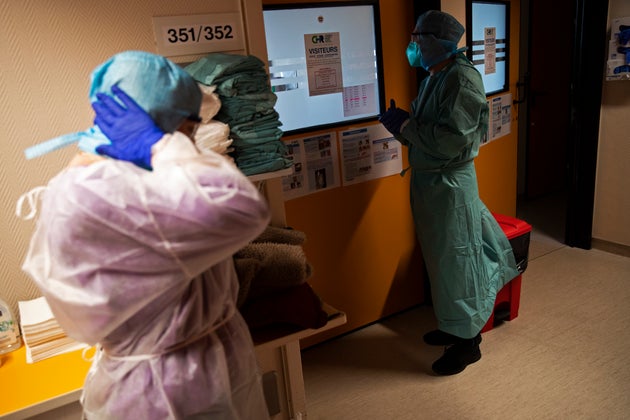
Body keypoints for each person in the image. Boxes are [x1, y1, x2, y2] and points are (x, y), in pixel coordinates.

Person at [20, 51, 271, 418]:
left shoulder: (131, 178)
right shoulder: (102, 190)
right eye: (188, 131)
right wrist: (158, 143)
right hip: (167, 392)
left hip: (195, 368)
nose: (190, 143)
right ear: (157, 125)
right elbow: (244, 208)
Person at [379, 11, 519, 376]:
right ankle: (453, 325)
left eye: (418, 39)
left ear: (437, 42)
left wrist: (408, 126)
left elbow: (449, 141)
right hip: (432, 184)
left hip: (450, 186)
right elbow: (428, 131)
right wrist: (403, 127)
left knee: (459, 262)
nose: (412, 46)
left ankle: (468, 343)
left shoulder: (462, 79)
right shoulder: (436, 76)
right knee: (442, 263)